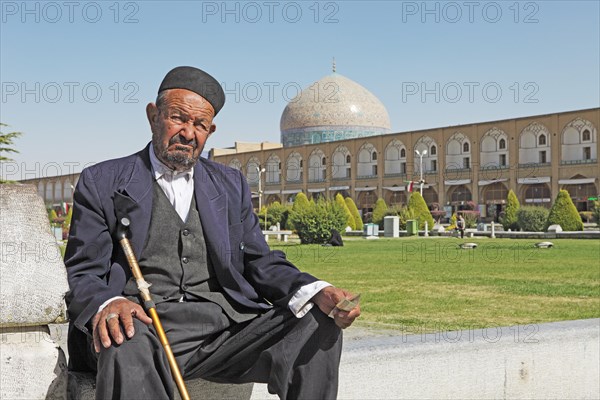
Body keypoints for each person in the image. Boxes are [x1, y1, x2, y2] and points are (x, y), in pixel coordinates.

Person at [64, 66, 360, 400]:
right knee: (123, 339)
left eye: (199, 125)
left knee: (317, 321)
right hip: (142, 327)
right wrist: (109, 302)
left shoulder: (229, 184)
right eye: (178, 118)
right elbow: (83, 270)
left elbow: (260, 262)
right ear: (153, 115)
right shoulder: (102, 181)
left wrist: (314, 290)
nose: (188, 133)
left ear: (210, 130)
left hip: (223, 328)